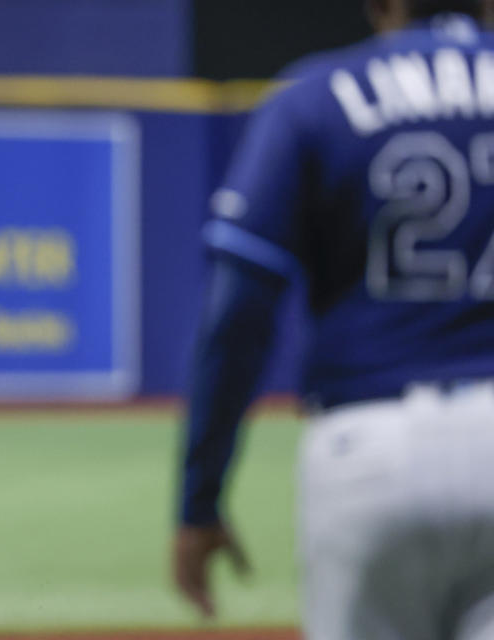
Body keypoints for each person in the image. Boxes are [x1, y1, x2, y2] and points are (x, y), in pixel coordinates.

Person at [173, 1, 494, 638]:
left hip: (369, 449)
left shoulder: (317, 95)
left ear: (381, 5)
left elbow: (238, 312)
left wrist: (199, 501)